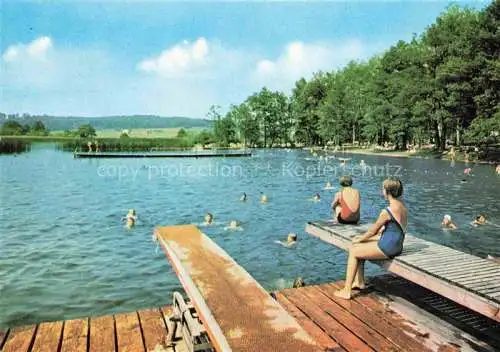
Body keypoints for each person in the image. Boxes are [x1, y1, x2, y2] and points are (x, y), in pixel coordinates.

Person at [334, 177, 407, 300]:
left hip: (388, 247)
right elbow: (395, 230)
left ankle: (346, 291)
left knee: (354, 251)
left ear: (387, 191)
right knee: (360, 249)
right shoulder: (402, 207)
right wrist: (364, 239)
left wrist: (360, 239)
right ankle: (359, 282)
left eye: (383, 189)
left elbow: (373, 231)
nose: (382, 191)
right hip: (397, 245)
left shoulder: (387, 211)